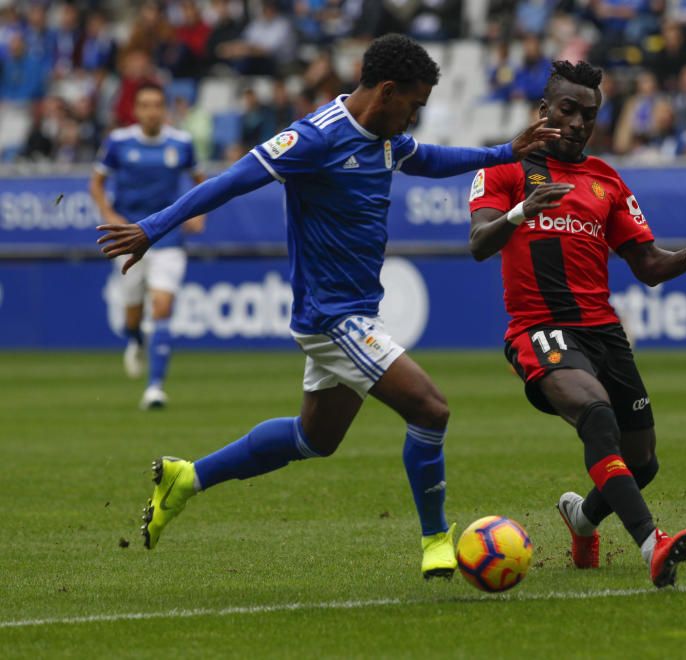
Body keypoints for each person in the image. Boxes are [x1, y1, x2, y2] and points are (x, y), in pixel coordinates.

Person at [96, 34, 558, 579]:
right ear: (387, 92)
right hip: (333, 317)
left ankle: (187, 478)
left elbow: (428, 158)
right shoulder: (314, 138)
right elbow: (228, 183)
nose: (415, 118)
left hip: (355, 311)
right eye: (414, 105)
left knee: (313, 439)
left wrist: (505, 152)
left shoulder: (385, 135)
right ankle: (436, 538)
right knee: (431, 409)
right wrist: (152, 227)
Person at [467, 60, 686, 588]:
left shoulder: (606, 179)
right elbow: (479, 243)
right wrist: (521, 212)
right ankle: (652, 546)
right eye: (568, 110)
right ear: (544, 110)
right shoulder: (506, 169)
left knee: (642, 461)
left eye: (589, 114)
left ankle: (583, 519)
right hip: (540, 328)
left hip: (604, 333)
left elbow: (650, 266)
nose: (578, 123)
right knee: (595, 413)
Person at [90, 82, 206, 410]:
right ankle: (136, 341)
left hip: (168, 236)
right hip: (128, 236)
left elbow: (201, 180)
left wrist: (200, 214)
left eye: (157, 104)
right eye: (146, 105)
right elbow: (96, 183)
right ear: (136, 110)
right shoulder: (118, 142)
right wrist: (109, 213)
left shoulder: (181, 143)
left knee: (162, 307)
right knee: (132, 317)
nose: (152, 111)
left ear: (165, 109)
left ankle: (155, 388)